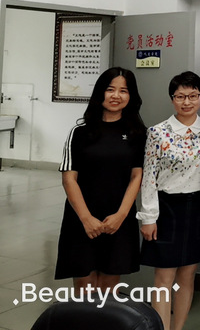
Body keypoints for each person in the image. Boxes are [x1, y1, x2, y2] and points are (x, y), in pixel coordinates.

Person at [55, 67, 146, 291]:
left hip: (118, 218)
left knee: (109, 285)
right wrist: (86, 218)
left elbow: (137, 176)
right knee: (84, 284)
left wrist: (121, 216)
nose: (116, 96)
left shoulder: (137, 133)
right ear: (100, 92)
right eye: (110, 89)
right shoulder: (79, 131)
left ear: (131, 95)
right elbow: (69, 178)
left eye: (123, 91)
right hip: (81, 216)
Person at [138, 71, 200, 330]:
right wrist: (148, 217)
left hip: (199, 207)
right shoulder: (157, 132)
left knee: (188, 275)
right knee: (164, 277)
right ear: (172, 99)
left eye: (193, 96)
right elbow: (149, 177)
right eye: (180, 96)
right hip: (167, 208)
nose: (186, 102)